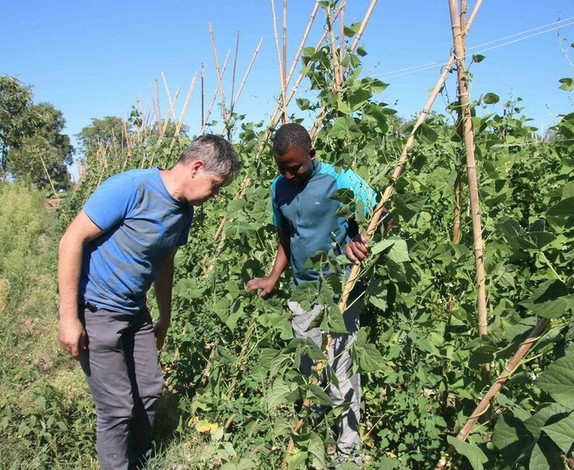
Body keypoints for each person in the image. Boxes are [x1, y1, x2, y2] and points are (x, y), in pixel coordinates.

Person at [58, 134, 241, 470]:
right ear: (197, 168)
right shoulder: (131, 188)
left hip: (135, 311)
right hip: (97, 309)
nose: (215, 195)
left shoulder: (184, 212)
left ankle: (138, 461)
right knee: (116, 408)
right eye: (216, 185)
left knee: (149, 392)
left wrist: (164, 318)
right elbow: (71, 239)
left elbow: (165, 264)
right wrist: (69, 318)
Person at [246, 123, 378, 462]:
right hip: (303, 291)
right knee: (310, 368)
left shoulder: (341, 178)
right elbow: (287, 237)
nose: (290, 174)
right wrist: (274, 277)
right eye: (282, 168)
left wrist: (360, 239)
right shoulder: (279, 189)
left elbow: (381, 213)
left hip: (341, 290)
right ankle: (319, 437)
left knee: (342, 369)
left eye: (296, 167)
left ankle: (348, 452)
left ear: (311, 153)